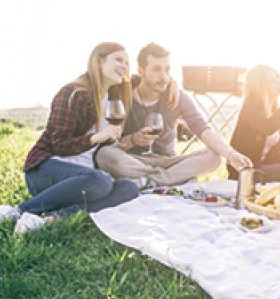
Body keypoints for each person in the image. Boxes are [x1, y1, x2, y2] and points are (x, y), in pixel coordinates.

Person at [0, 42, 139, 234]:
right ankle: (18, 211)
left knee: (129, 188)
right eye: (119, 59)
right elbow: (59, 144)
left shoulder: (112, 99)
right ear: (99, 61)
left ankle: (48, 219)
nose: (125, 66)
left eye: (127, 62)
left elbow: (141, 79)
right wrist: (96, 138)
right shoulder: (74, 93)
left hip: (83, 179)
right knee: (101, 181)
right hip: (45, 170)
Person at [95, 43, 252, 187]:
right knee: (104, 155)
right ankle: (168, 179)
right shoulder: (123, 95)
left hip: (169, 161)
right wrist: (133, 139)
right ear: (141, 71)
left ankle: (150, 181)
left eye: (167, 70)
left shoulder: (177, 97)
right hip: (133, 161)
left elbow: (201, 128)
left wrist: (231, 154)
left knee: (213, 157)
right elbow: (112, 142)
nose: (163, 76)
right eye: (156, 69)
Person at [227, 65, 280, 183]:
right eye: (272, 81)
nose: (279, 82)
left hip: (268, 166)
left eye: (278, 78)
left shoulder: (274, 113)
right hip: (249, 173)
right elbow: (268, 127)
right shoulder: (251, 105)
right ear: (260, 86)